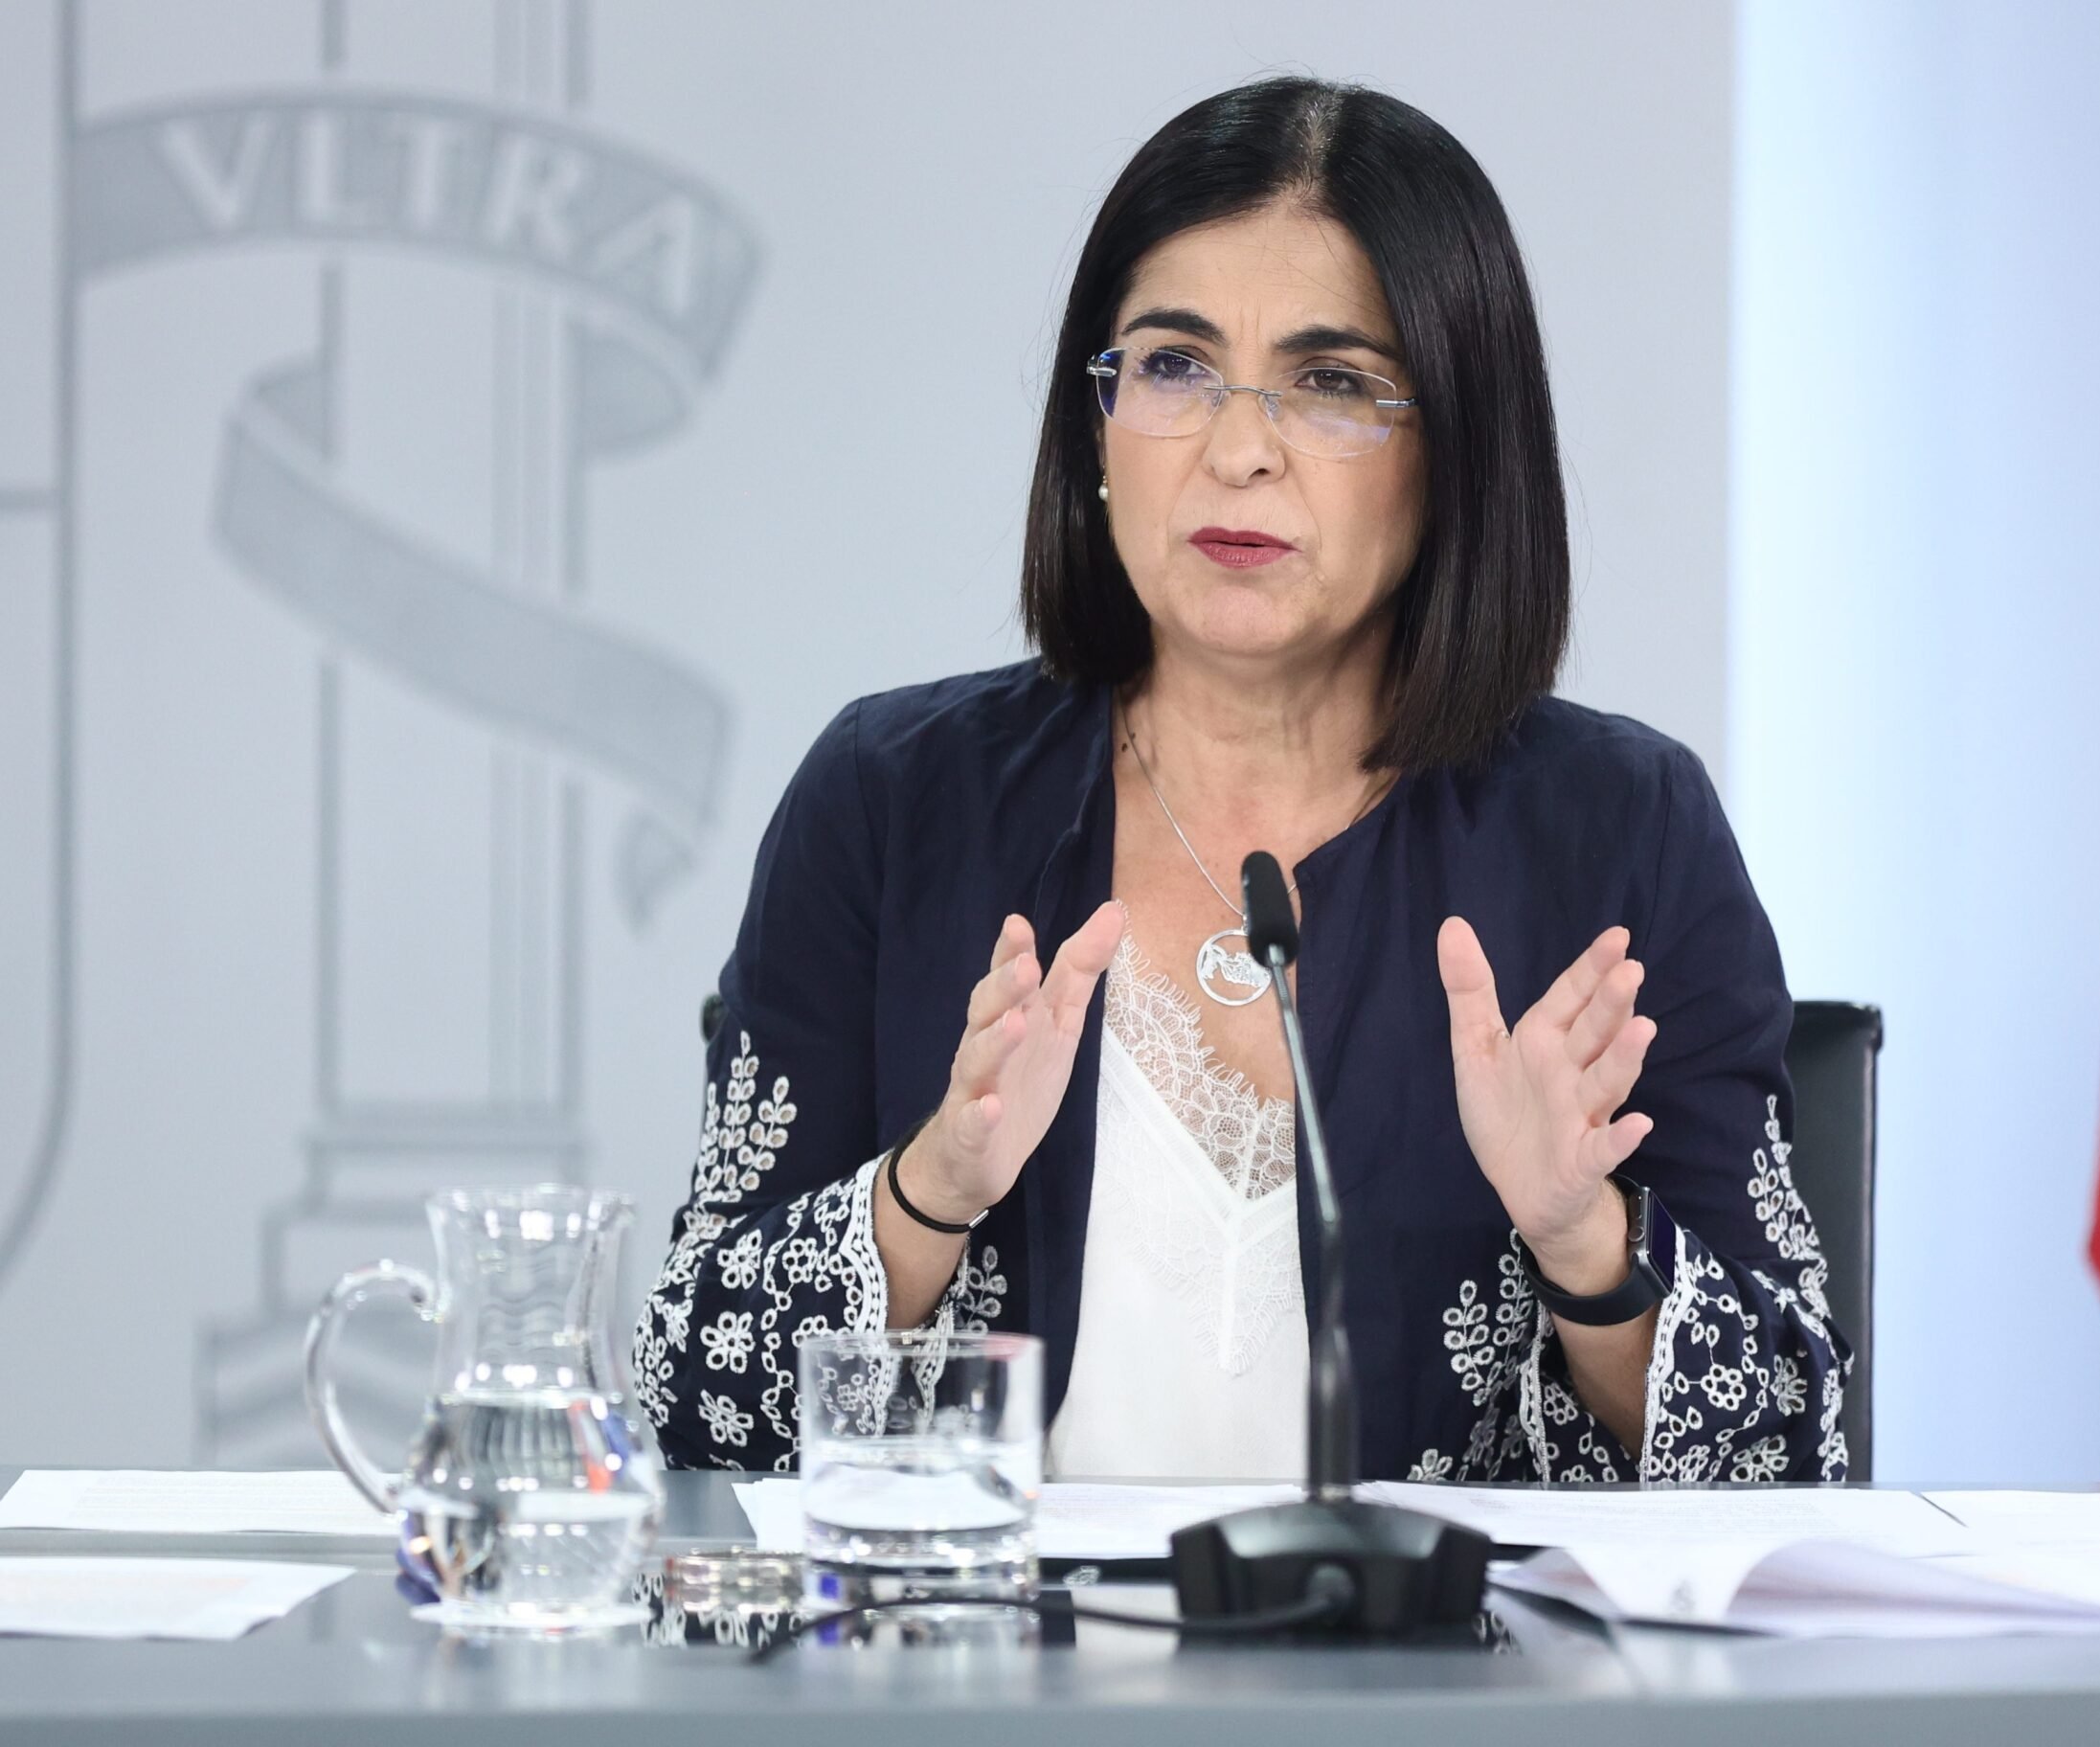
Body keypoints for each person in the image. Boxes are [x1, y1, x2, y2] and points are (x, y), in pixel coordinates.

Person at [635, 75, 1848, 1486]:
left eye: (1332, 383)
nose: (1236, 448)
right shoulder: (895, 798)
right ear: (1094, 432)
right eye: (1173, 365)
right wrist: (927, 1196)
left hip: (1438, 1700)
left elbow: (1791, 1459)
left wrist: (1588, 1249)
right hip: (992, 1696)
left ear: (1455, 455)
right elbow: (694, 1418)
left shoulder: (1623, 830)